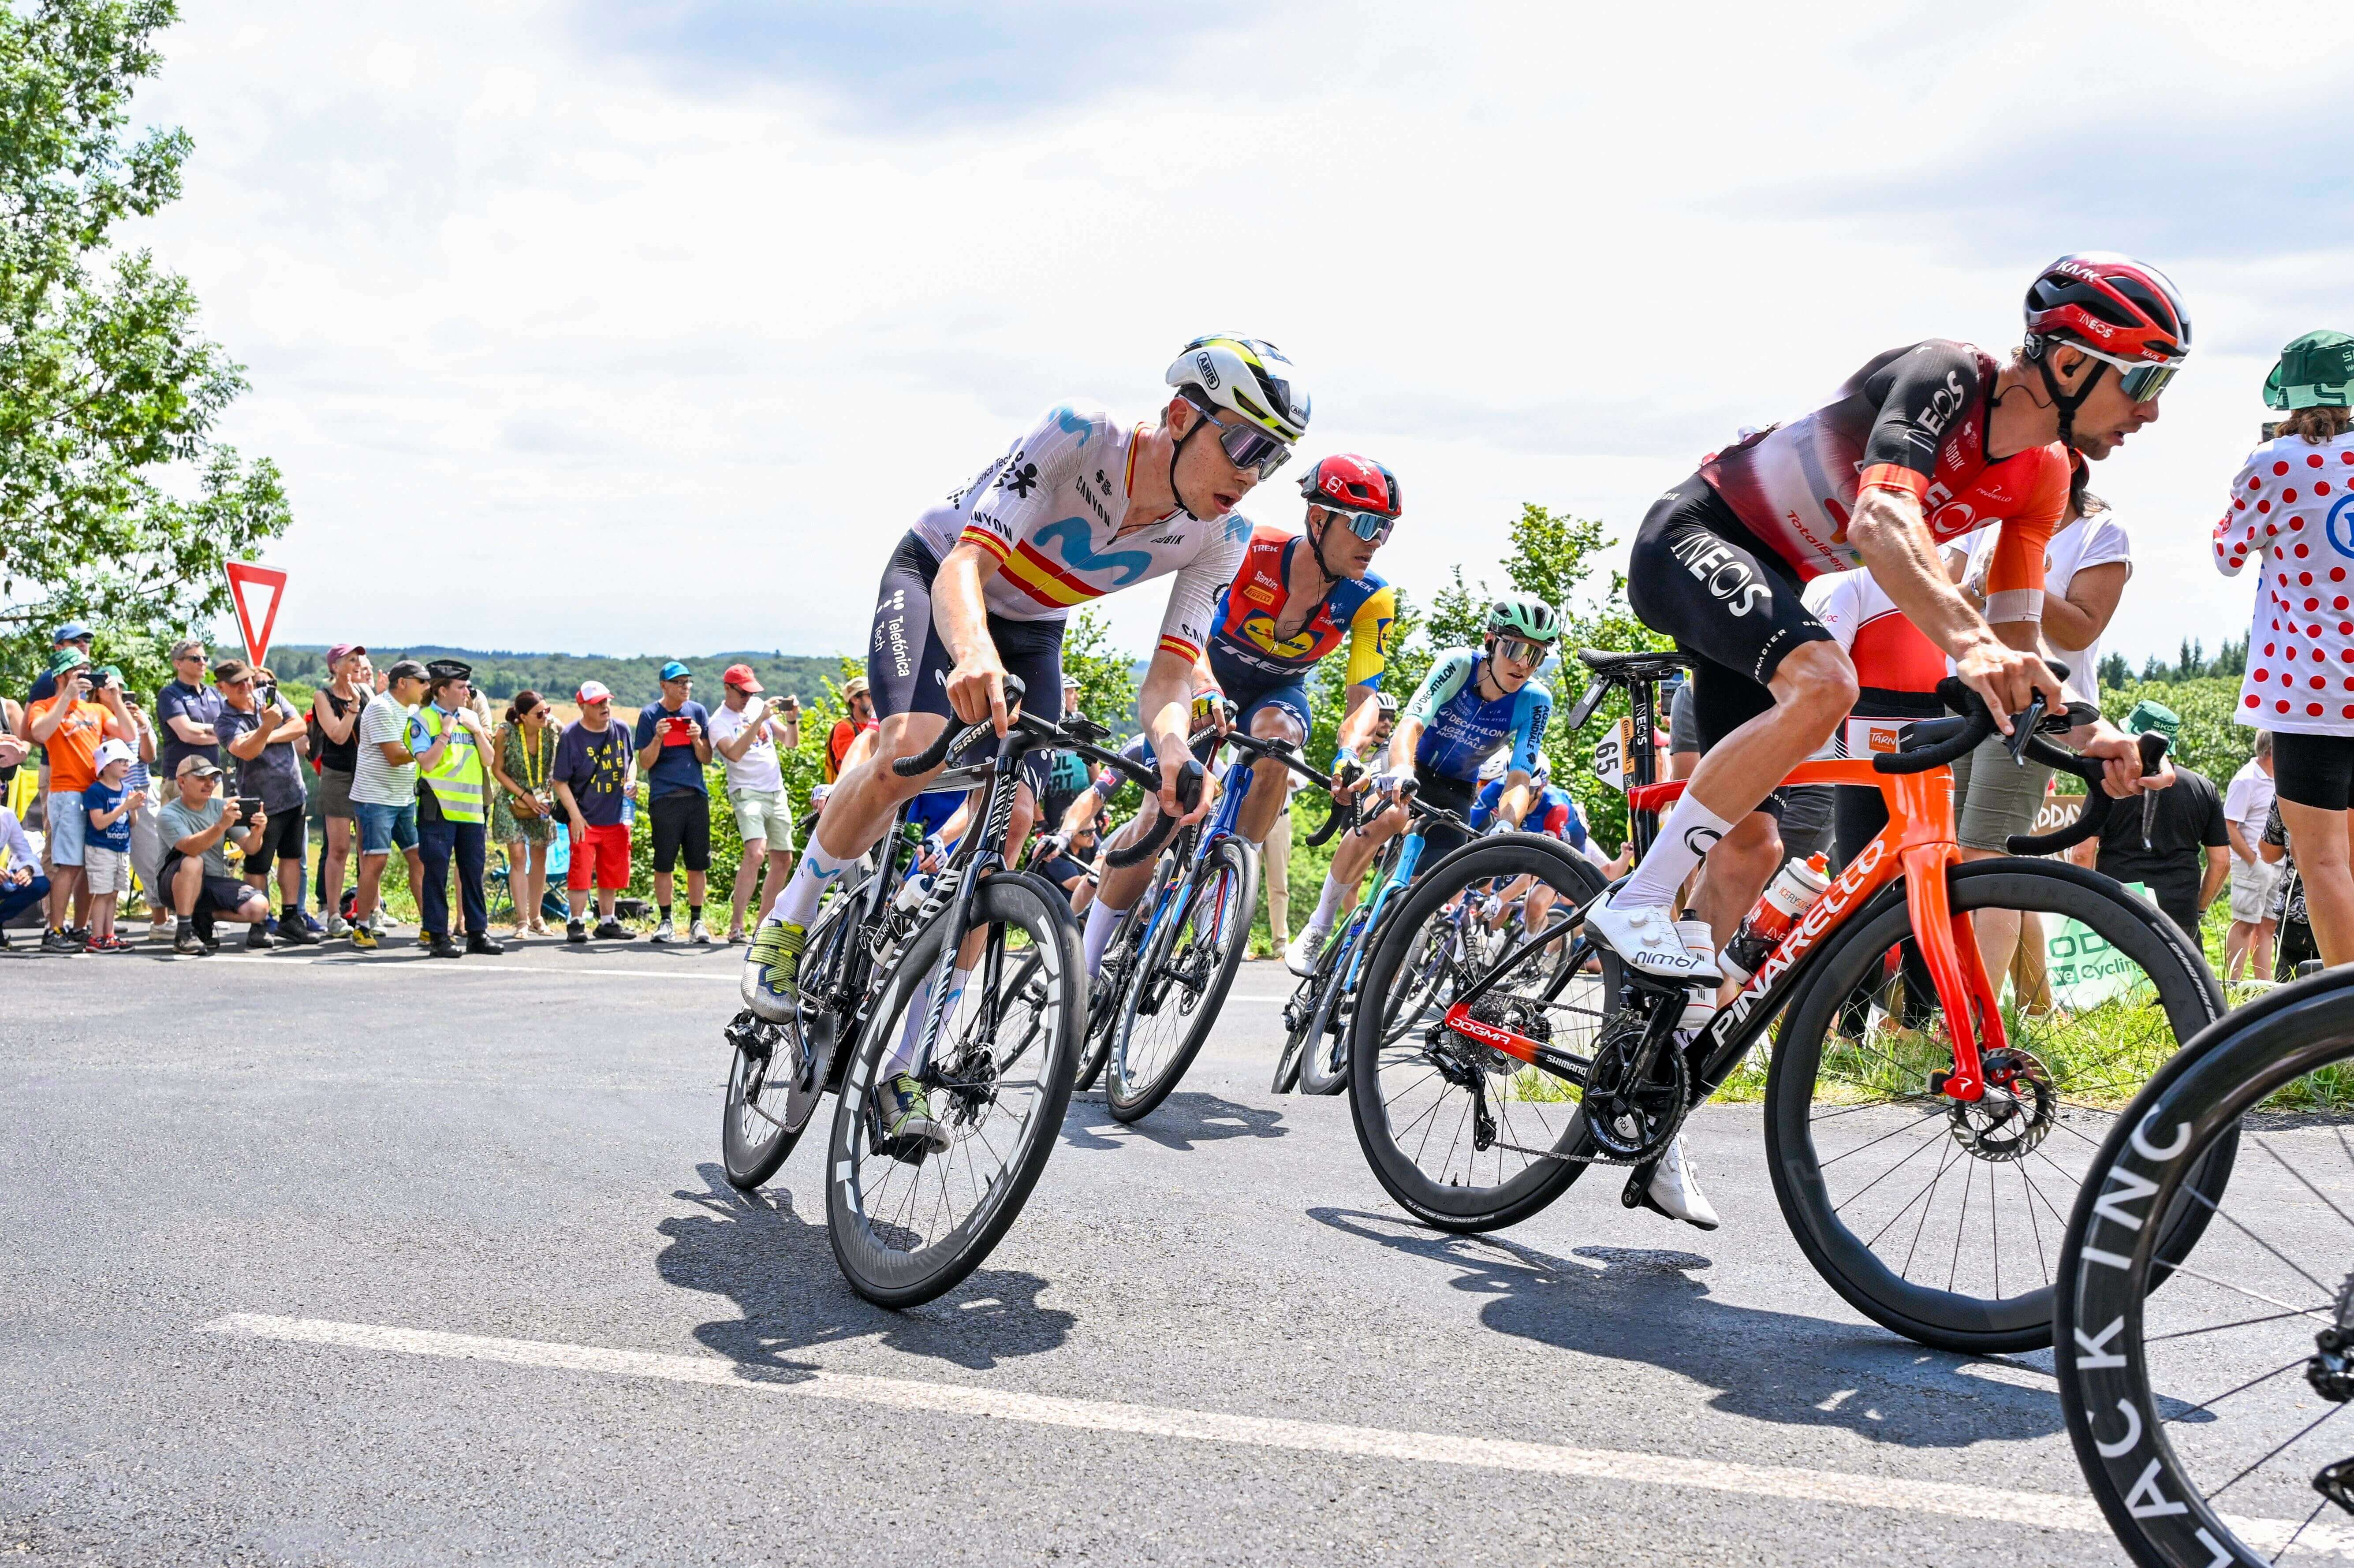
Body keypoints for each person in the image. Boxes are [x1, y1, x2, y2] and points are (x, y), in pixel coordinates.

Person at [746, 334, 1307, 1149]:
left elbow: (1167, 682)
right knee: (914, 741)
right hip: (941, 575)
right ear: (1182, 415)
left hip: (1035, 627)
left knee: (1008, 827)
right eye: (1245, 443)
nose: (1251, 472)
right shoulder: (1079, 433)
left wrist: (1176, 752)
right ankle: (789, 923)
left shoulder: (1219, 537)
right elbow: (967, 564)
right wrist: (971, 652)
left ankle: (903, 1068)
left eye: (1273, 457)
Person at [1594, 253, 2184, 998]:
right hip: (1693, 537)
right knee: (1825, 686)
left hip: (1770, 586)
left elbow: (2016, 643)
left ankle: (1659, 1056)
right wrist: (1966, 643)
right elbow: (1879, 519)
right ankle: (1638, 897)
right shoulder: (1946, 376)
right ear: (2068, 363)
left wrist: (2089, 732)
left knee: (1749, 849)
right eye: (2143, 381)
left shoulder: (2042, 476)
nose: (2151, 411)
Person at [1136, 452, 1398, 976]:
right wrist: (1206, 688)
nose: (1375, 540)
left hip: (1279, 688)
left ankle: (1226, 880)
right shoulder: (1252, 549)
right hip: (1204, 670)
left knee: (1278, 742)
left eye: (1386, 529)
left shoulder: (1372, 597)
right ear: (1318, 519)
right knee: (1157, 815)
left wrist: (1349, 752)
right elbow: (1189, 636)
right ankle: (1095, 951)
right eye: (1366, 524)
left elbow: (1363, 698)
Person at [1283, 596, 1557, 977]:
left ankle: (1377, 974)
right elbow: (1411, 723)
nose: (1524, 664)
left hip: (1456, 787)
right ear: (1491, 641)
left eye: (1537, 655)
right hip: (1408, 761)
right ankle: (1320, 923)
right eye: (1516, 648)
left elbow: (1519, 776)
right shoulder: (1459, 664)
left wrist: (1508, 824)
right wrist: (1398, 769)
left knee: (1425, 890)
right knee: (1391, 815)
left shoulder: (1536, 700)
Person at [2214, 328, 2354, 967]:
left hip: (2306, 689)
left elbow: (2225, 553)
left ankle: (2344, 1021)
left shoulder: (2276, 462)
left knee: (2323, 859)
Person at [2088, 700, 2228, 945]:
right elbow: (2221, 862)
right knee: (2181, 983)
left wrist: (2088, 907)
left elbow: (2082, 853)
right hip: (2180, 913)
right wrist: (2198, 910)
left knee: (2121, 985)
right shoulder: (2204, 788)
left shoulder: (2110, 782)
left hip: (2120, 906)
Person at [27, 647, 131, 953]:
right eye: (79, 670)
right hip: (67, 792)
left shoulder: (97, 711)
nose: (85, 676)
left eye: (88, 670)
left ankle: (79, 927)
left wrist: (116, 699)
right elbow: (40, 732)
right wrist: (67, 695)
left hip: (94, 793)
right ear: (61, 675)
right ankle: (54, 929)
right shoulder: (45, 706)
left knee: (88, 865)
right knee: (69, 865)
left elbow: (126, 732)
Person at [215, 659, 317, 947]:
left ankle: (290, 918)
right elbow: (244, 751)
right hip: (259, 799)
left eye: (248, 680)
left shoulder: (268, 695)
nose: (246, 687)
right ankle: (257, 924)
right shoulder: (225, 721)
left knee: (292, 857)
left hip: (293, 793)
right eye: (237, 683)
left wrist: (266, 734)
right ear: (222, 687)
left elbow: (299, 726)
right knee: (258, 864)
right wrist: (270, 725)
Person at [409, 660, 502, 958]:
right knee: (436, 873)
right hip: (438, 808)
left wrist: (476, 731)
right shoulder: (421, 719)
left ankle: (478, 933)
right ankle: (438, 935)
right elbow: (427, 762)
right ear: (442, 690)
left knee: (473, 873)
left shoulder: (470, 717)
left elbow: (489, 760)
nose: (467, 692)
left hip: (472, 809)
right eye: (461, 687)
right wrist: (446, 733)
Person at [706, 664, 798, 943]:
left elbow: (790, 743)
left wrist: (792, 719)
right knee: (756, 853)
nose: (747, 698)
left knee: (784, 858)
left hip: (775, 790)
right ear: (728, 689)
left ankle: (763, 927)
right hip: (747, 792)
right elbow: (732, 754)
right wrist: (759, 720)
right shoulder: (718, 722)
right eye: (743, 693)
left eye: (751, 692)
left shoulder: (757, 705)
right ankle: (736, 925)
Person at [347, 659, 430, 953]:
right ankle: (362, 927)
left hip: (403, 797)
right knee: (376, 862)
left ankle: (429, 925)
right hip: (376, 798)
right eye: (422, 682)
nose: (427, 687)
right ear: (403, 683)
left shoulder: (411, 710)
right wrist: (430, 749)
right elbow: (394, 755)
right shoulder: (381, 708)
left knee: (419, 858)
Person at [158, 756, 274, 955]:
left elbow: (251, 848)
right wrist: (221, 825)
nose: (210, 784)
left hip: (212, 882)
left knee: (260, 907)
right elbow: (191, 849)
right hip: (174, 884)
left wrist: (258, 832)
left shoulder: (220, 807)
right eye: (202, 779)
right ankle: (184, 932)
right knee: (193, 862)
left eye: (213, 779)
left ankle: (203, 917)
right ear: (182, 782)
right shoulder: (168, 814)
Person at [634, 660, 713, 943]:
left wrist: (696, 740)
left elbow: (707, 758)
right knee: (664, 863)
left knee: (697, 864)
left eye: (688, 682)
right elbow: (644, 763)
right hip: (664, 798)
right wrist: (658, 737)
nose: (686, 688)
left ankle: (697, 922)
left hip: (695, 798)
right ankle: (666, 920)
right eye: (679, 683)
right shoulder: (649, 715)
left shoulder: (698, 712)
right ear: (664, 686)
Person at [554, 680, 637, 942]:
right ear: (583, 707)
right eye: (598, 703)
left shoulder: (621, 729)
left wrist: (631, 781)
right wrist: (575, 816)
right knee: (580, 872)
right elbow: (560, 781)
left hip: (616, 817)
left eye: (607, 701)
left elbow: (630, 762)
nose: (605, 707)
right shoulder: (571, 736)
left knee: (611, 871)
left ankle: (607, 921)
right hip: (585, 819)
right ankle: (576, 922)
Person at [489, 689, 560, 938]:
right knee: (518, 855)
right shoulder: (506, 733)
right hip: (513, 799)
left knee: (539, 854)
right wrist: (524, 796)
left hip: (541, 800)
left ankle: (537, 917)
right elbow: (497, 770)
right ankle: (522, 920)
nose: (546, 716)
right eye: (540, 713)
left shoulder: (552, 730)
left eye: (548, 710)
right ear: (522, 717)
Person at [310, 644, 369, 936]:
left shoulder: (367, 693)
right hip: (337, 775)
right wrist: (354, 708)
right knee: (339, 847)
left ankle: (369, 913)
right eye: (351, 660)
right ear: (335, 666)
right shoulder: (324, 696)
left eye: (359, 659)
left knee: (367, 848)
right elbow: (337, 734)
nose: (358, 664)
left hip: (366, 774)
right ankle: (334, 914)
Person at [2225, 731, 2280, 982]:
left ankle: (2264, 986)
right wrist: (2254, 862)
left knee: (2269, 925)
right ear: (2272, 748)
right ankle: (2232, 984)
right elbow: (2229, 826)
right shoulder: (2246, 779)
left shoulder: (2281, 779)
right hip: (2251, 864)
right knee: (2244, 924)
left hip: (2278, 864)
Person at [79, 738, 142, 952]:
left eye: (127, 761)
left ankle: (110, 934)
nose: (126, 765)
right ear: (105, 766)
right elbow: (98, 823)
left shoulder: (128, 788)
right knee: (103, 893)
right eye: (120, 761)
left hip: (122, 849)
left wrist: (132, 808)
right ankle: (97, 936)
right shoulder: (96, 791)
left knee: (114, 893)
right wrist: (125, 806)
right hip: (101, 848)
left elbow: (133, 823)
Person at [154, 638, 225, 794]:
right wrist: (218, 732)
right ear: (178, 664)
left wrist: (204, 731)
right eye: (195, 659)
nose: (202, 663)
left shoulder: (214, 693)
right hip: (181, 782)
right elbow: (187, 734)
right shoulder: (170, 694)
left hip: (213, 780)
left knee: (217, 820)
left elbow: (230, 728)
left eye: (205, 658)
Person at [0, 801, 48, 950]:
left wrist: (28, 869)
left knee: (39, 884)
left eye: (2, 788)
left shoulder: (6, 815)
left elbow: (25, 853)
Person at [824, 676, 876, 783]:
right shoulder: (844, 728)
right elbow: (855, 768)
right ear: (855, 699)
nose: (875, 699)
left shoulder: (874, 725)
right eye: (870, 695)